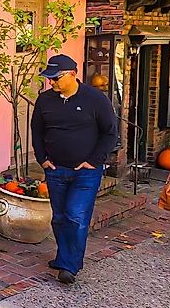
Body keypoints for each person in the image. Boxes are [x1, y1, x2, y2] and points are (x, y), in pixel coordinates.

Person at [31, 54, 120, 285]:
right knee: (59, 217)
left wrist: (95, 160)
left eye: (56, 78)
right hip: (55, 168)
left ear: (73, 74)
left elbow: (110, 132)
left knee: (76, 215)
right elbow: (37, 132)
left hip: (85, 171)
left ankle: (70, 265)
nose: (52, 83)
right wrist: (42, 159)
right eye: (49, 79)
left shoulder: (95, 99)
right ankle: (64, 258)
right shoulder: (45, 101)